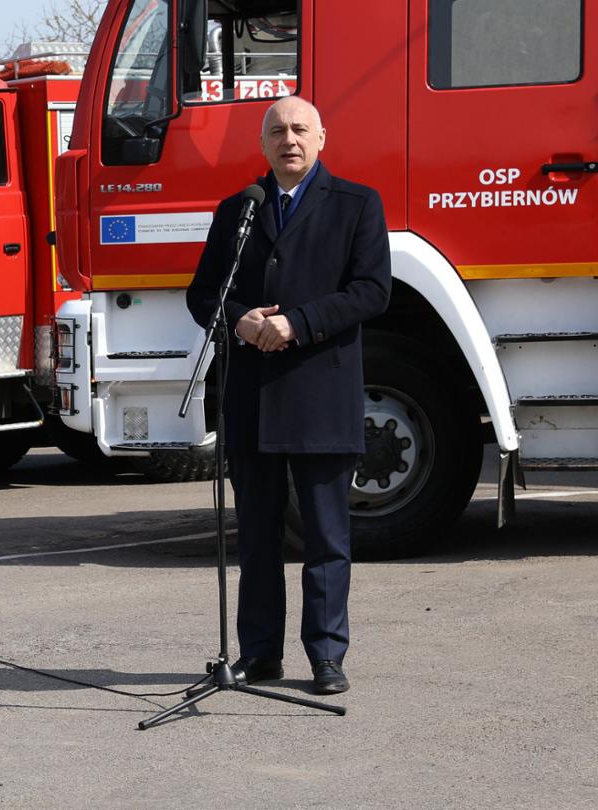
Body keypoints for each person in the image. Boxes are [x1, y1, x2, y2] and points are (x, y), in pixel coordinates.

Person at [185, 96, 388, 696]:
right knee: (258, 536)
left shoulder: (356, 205)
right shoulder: (238, 210)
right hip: (252, 398)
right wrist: (241, 320)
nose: (289, 139)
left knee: (326, 536)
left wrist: (297, 322)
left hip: (320, 393)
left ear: (322, 137)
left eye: (300, 128)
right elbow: (202, 295)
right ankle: (260, 654)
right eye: (277, 130)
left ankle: (327, 656)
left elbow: (372, 291)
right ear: (263, 143)